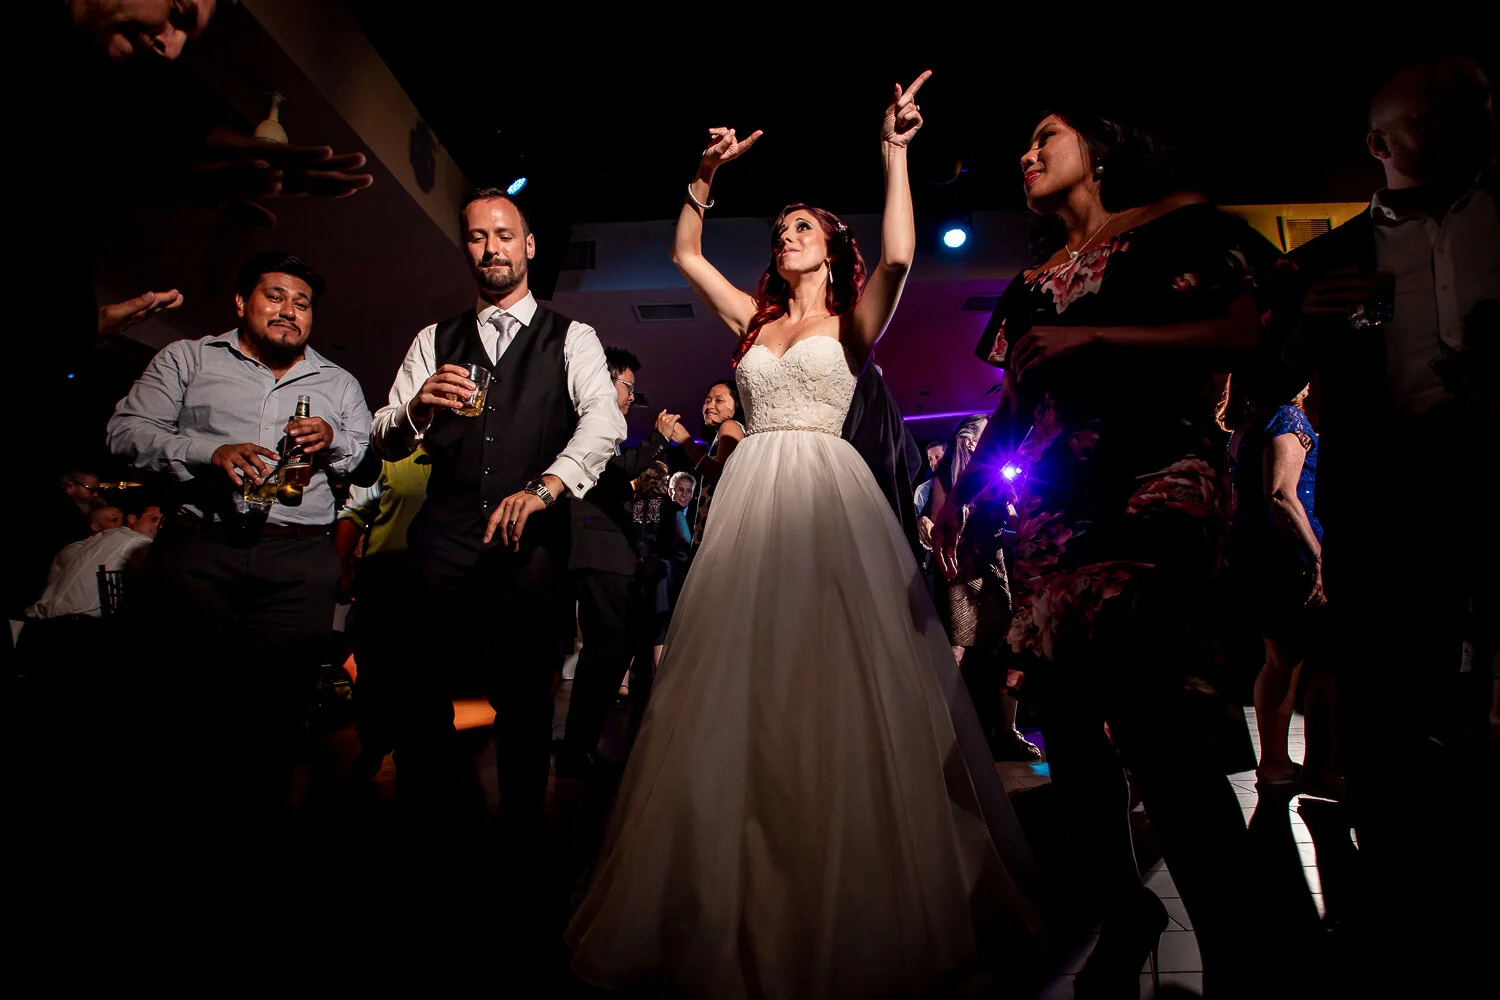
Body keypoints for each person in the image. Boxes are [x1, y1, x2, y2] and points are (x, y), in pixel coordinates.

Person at [568, 74, 1045, 999]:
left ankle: (852, 876)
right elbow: (684, 251)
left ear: (830, 247)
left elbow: (900, 255)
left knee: (834, 668)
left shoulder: (852, 324)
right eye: (780, 228)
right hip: (752, 500)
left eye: (801, 226)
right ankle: (737, 875)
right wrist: (704, 175)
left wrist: (894, 151)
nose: (785, 235)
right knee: (743, 671)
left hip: (829, 497)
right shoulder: (751, 324)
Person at [935, 107, 1282, 997]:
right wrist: (963, 497)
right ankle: (1123, 908)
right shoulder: (1031, 281)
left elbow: (1243, 333)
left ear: (1100, 149)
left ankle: (1238, 948)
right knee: (1064, 718)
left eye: (1045, 136)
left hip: (1153, 482)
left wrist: (1097, 335)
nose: (1026, 153)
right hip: (1055, 513)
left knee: (1159, 719)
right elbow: (1015, 404)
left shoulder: (1178, 229)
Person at [1286, 55, 1498, 995]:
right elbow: (1262, 379)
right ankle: (1400, 913)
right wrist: (1305, 324)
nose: (1467, 125)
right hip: (1388, 504)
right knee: (1385, 712)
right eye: (1437, 116)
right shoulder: (1330, 259)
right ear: (1380, 142)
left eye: (1475, 108)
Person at [367, 189, 625, 870]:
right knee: (421, 689)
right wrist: (417, 410)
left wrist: (545, 487)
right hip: (443, 537)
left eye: (505, 234)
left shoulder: (572, 338)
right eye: (478, 237)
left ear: (529, 245)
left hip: (530, 543)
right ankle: (430, 829)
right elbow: (384, 436)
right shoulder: (433, 339)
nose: (492, 248)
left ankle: (520, 837)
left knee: (525, 697)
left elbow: (604, 421)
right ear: (466, 248)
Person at [107, 250, 371, 836]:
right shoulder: (188, 358)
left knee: (278, 710)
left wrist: (332, 440)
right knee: (183, 699)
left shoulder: (339, 382)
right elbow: (125, 433)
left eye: (302, 303)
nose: (289, 311)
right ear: (240, 302)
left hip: (297, 559)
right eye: (274, 296)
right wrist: (208, 452)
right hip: (201, 546)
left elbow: (366, 461)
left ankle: (254, 833)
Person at [559, 347, 679, 780]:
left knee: (608, 649)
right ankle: (575, 750)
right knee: (607, 648)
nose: (631, 396)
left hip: (608, 550)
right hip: (597, 549)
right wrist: (658, 438)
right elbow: (613, 474)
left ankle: (578, 747)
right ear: (607, 381)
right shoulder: (589, 423)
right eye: (629, 386)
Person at [1218, 371, 1328, 790]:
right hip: (1286, 551)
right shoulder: (1286, 419)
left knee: (1281, 659)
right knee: (1319, 659)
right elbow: (1281, 494)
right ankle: (1316, 767)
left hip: (1256, 549)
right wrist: (1317, 557)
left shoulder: (1248, 425)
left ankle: (1277, 763)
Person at [335, 449, 433, 788]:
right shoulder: (390, 454)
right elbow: (354, 514)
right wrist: (340, 570)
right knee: (375, 671)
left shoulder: (462, 453)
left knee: (427, 675)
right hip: (385, 577)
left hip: (438, 581)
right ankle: (373, 745)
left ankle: (419, 758)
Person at [842, 362, 924, 557]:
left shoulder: (856, 378)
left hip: (855, 501)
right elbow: (913, 460)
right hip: (879, 502)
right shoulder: (883, 397)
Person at [668, 378, 744, 551]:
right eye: (707, 400)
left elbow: (723, 477)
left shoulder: (730, 426)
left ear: (736, 406)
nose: (710, 406)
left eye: (719, 400)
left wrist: (686, 441)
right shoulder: (723, 432)